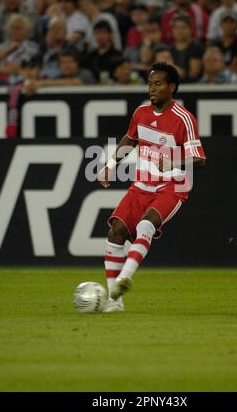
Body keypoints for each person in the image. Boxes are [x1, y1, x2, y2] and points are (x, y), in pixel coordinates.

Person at [98, 62, 206, 312]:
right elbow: (130, 138)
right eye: (149, 84)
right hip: (141, 186)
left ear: (172, 87)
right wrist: (111, 164)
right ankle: (115, 302)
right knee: (115, 233)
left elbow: (200, 159)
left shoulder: (184, 119)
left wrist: (173, 159)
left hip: (173, 186)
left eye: (158, 84)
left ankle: (125, 276)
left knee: (146, 224)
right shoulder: (141, 113)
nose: (152, 89)